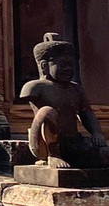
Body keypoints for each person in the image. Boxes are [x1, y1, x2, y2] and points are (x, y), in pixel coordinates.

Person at [20, 32, 108, 169]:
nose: (68, 69)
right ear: (44, 66)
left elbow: (86, 113)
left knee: (105, 153)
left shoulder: (76, 89)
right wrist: (51, 149)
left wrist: (97, 133)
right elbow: (42, 118)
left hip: (75, 141)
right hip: (45, 144)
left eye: (71, 65)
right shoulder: (35, 87)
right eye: (62, 65)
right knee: (46, 111)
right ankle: (53, 155)